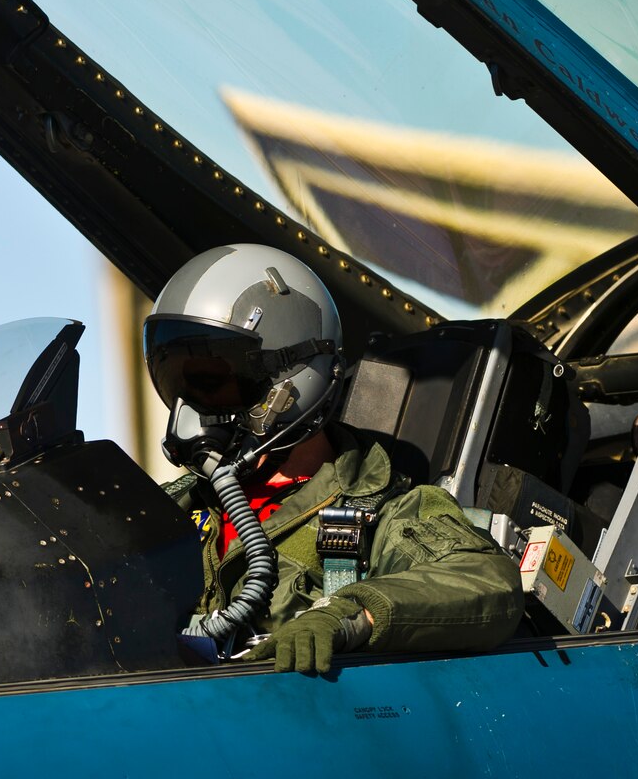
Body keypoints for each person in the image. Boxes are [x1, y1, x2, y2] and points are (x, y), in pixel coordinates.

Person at [143, 243, 526, 675]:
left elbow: (487, 583)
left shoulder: (384, 512)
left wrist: (350, 617)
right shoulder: (164, 512)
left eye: (211, 382)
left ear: (290, 382)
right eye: (177, 386)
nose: (188, 412)